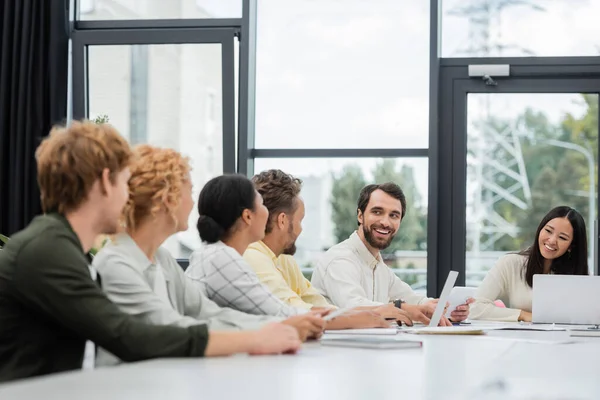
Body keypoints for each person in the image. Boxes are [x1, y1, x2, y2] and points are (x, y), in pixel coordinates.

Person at [0, 121, 300, 383]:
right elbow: (126, 334)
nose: (129, 195)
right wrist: (255, 338)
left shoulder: (58, 243)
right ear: (107, 181)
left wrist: (268, 331)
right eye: (125, 181)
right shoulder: (49, 250)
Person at [93, 145, 308, 364]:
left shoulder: (162, 259)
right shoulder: (115, 264)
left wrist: (278, 327)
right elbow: (169, 326)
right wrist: (259, 336)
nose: (193, 203)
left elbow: (206, 313)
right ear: (169, 199)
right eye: (190, 191)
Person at [185, 175, 401, 335]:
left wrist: (357, 316)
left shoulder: (220, 255)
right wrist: (357, 318)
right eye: (261, 206)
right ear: (248, 216)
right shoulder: (226, 258)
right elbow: (283, 313)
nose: (267, 214)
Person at [245, 169, 413, 324]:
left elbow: (317, 303)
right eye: (300, 220)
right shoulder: (252, 256)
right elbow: (298, 311)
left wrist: (369, 314)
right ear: (282, 221)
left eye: (394, 215)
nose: (301, 229)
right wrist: (376, 315)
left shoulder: (283, 259)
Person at [311, 182, 472, 326]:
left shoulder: (378, 266)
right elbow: (355, 307)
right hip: (336, 354)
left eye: (394, 215)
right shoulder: (340, 259)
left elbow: (413, 299)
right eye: (377, 212)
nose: (385, 222)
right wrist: (404, 308)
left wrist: (445, 309)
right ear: (360, 216)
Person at [470, 206, 589, 322]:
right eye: (548, 231)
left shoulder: (580, 275)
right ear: (540, 230)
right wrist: (522, 315)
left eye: (562, 237)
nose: (552, 241)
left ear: (571, 246)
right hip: (520, 339)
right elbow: (475, 308)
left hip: (567, 339)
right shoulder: (510, 264)